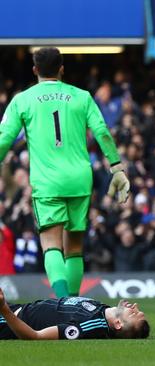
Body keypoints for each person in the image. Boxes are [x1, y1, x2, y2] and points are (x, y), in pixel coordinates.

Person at [0, 47, 130, 298]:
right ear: (61, 69)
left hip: (48, 182)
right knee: (74, 249)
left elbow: (4, 139)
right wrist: (117, 168)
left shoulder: (23, 99)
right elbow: (102, 131)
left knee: (51, 246)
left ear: (35, 70)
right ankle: (74, 304)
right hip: (80, 180)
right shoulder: (82, 96)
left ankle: (63, 305)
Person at [0, 287, 149, 340]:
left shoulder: (90, 325)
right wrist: (121, 308)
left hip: (7, 321)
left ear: (118, 324)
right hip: (18, 308)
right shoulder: (103, 311)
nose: (135, 306)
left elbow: (35, 336)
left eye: (134, 313)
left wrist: (4, 309)